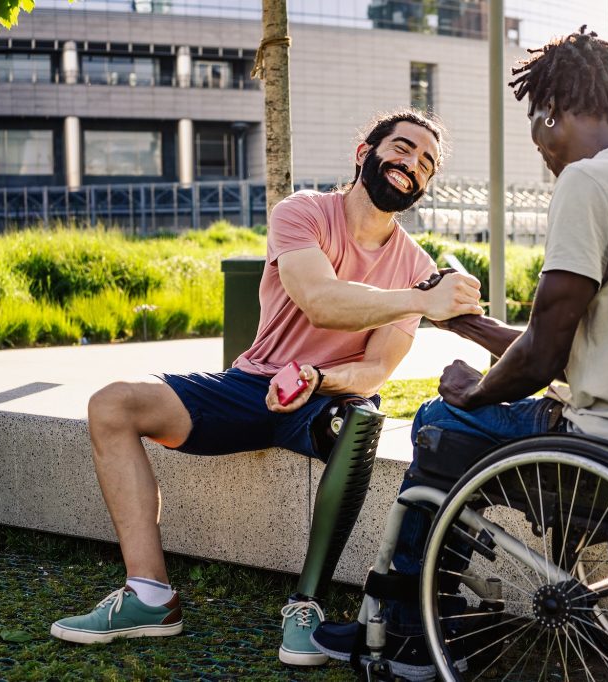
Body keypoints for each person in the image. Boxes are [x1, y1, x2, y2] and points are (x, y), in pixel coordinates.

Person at [311, 26, 608, 680]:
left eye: (537, 130)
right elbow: (570, 342)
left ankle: (416, 634)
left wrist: (473, 391)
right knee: (466, 418)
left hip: (601, 448)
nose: (542, 152)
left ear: (548, 112)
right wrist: (466, 324)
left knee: (439, 423)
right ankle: (445, 605)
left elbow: (542, 360)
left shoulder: (588, 183)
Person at [49, 109, 484, 667]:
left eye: (426, 163)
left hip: (327, 400)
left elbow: (376, 370)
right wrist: (422, 298)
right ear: (364, 151)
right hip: (252, 385)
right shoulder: (301, 212)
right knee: (112, 403)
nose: (411, 165)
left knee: (362, 416)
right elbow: (318, 298)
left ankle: (305, 606)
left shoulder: (414, 263)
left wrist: (320, 377)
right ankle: (150, 596)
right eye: (401, 148)